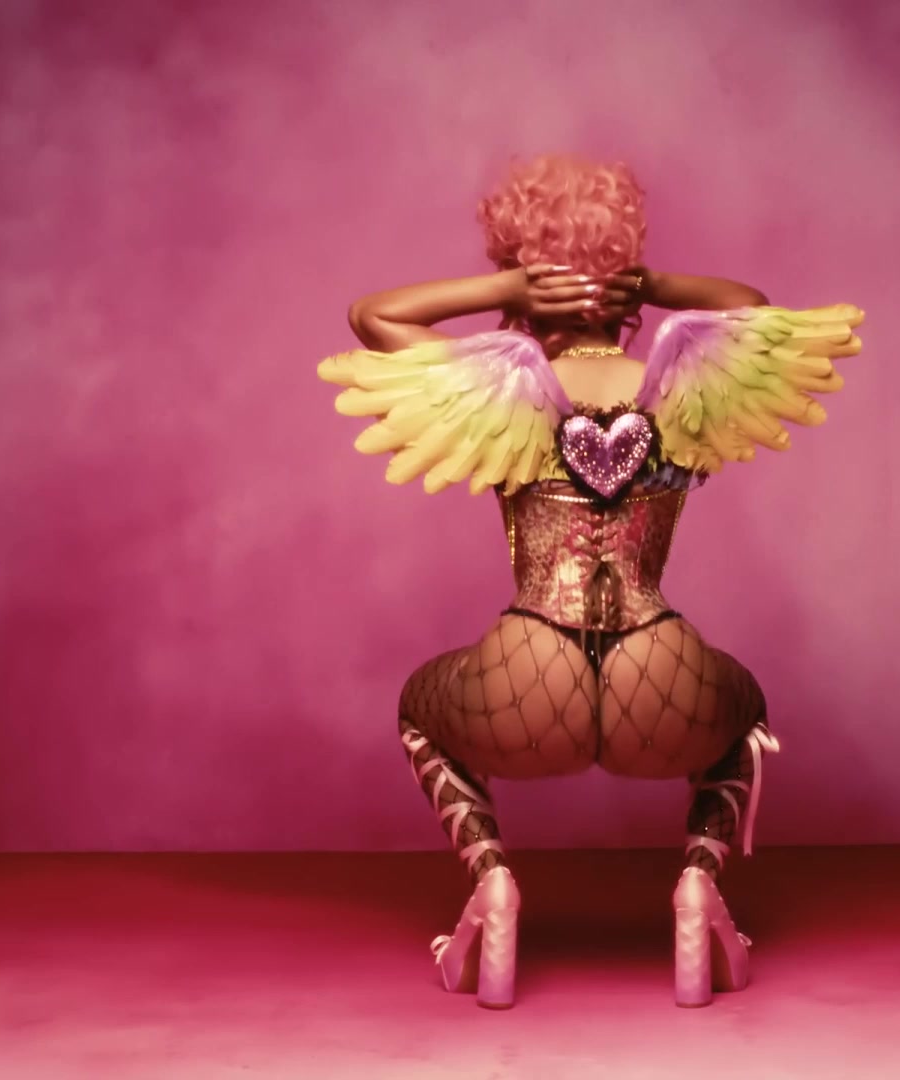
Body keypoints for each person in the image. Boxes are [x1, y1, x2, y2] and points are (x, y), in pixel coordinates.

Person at [319, 154, 864, 1008]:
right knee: (744, 711)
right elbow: (755, 311)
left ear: (522, 271)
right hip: (659, 670)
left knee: (420, 708)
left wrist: (509, 291)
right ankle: (698, 884)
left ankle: (493, 881)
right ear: (626, 279)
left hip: (529, 673)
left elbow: (371, 316)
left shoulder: (501, 386)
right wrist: (652, 284)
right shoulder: (677, 390)